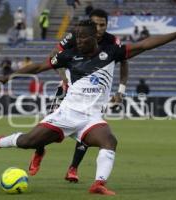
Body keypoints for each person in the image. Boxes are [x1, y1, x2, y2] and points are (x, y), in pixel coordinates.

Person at [0, 20, 176, 195]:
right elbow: (39, 66)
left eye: (83, 37)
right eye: (77, 37)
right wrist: (7, 77)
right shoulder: (68, 56)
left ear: (94, 37)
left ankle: (98, 184)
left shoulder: (111, 52)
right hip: (66, 114)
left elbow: (145, 44)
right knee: (27, 142)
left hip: (91, 118)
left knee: (109, 141)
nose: (79, 41)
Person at [30, 9, 130, 183]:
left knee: (88, 126)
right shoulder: (75, 36)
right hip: (69, 87)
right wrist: (64, 79)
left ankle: (73, 168)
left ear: (107, 25)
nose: (99, 28)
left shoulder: (112, 41)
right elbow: (54, 55)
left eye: (103, 25)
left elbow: (123, 61)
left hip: (92, 93)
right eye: (96, 24)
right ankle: (39, 150)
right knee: (47, 122)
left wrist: (120, 90)